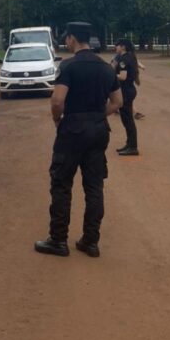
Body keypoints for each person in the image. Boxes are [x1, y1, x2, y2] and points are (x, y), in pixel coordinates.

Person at [34, 22, 123, 259]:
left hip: (72, 130)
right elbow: (117, 102)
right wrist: (96, 115)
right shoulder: (106, 68)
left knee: (62, 184)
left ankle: (58, 240)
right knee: (94, 186)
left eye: (67, 38)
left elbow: (57, 101)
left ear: (72, 39)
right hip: (98, 130)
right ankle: (90, 241)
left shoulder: (69, 66)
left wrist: (58, 121)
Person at [113, 38, 140, 156]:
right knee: (126, 119)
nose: (116, 47)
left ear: (123, 47)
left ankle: (133, 147)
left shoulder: (124, 59)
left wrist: (111, 73)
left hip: (126, 91)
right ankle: (129, 144)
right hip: (129, 90)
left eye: (117, 45)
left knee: (128, 120)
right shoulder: (130, 57)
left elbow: (123, 77)